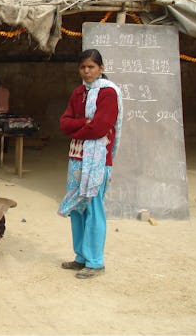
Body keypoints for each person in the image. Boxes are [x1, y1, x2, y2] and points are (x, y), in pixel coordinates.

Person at [58, 49, 122, 279]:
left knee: (94, 209)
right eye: (83, 67)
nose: (87, 71)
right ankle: (81, 258)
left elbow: (100, 127)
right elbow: (64, 123)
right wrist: (82, 123)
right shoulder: (78, 93)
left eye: (91, 67)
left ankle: (95, 262)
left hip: (97, 160)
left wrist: (79, 127)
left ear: (101, 68)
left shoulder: (108, 93)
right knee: (77, 208)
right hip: (77, 159)